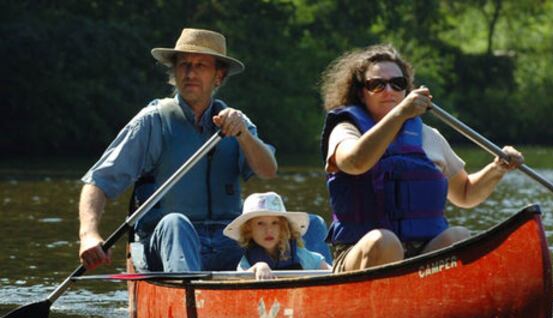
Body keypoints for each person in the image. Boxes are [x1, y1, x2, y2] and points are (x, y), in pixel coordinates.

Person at [78, 28, 277, 272]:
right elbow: (98, 182)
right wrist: (89, 234)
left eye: (201, 66)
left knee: (306, 225)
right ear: (174, 72)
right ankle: (189, 297)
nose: (190, 73)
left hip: (227, 241)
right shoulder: (152, 121)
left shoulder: (237, 122)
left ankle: (308, 289)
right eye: (184, 65)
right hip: (164, 243)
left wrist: (243, 135)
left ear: (219, 77)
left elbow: (268, 170)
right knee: (176, 223)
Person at [320, 44, 523, 272]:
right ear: (360, 93)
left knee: (460, 237)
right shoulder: (346, 129)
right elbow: (356, 163)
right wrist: (400, 113)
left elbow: (465, 194)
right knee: (384, 241)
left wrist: (497, 168)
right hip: (361, 254)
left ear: (406, 90)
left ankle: (437, 302)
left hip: (420, 261)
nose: (389, 91)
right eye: (377, 85)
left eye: (397, 84)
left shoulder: (428, 136)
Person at [223, 192, 332, 280]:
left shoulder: (298, 254)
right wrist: (258, 266)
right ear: (249, 230)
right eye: (260, 223)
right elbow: (241, 278)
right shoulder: (247, 261)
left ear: (283, 227)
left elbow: (325, 268)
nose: (269, 230)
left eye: (275, 223)